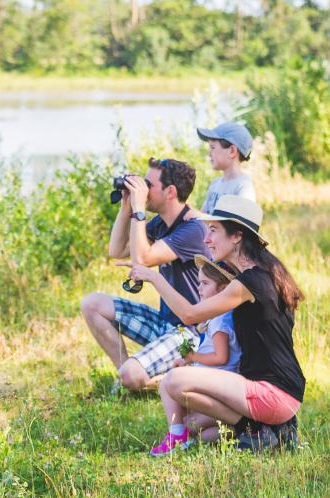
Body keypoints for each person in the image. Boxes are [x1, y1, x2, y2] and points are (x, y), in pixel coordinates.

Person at [123, 195, 304, 451]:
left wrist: (154, 277)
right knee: (199, 428)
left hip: (271, 393)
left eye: (214, 231)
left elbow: (189, 315)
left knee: (174, 380)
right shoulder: (264, 273)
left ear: (237, 236)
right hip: (283, 391)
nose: (206, 239)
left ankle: (255, 431)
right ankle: (271, 430)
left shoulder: (249, 283)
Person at [81, 158, 211, 392]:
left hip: (192, 333)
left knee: (131, 375)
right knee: (92, 304)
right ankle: (128, 379)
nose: (142, 189)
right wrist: (126, 207)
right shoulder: (161, 223)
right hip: (166, 323)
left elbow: (143, 259)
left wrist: (139, 211)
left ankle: (165, 378)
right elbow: (117, 250)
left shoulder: (193, 228)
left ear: (170, 192)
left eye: (148, 184)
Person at [149, 255, 241, 456]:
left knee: (167, 383)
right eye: (199, 282)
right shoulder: (220, 315)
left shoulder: (220, 320)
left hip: (220, 384)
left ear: (223, 289)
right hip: (217, 382)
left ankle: (176, 436)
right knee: (196, 430)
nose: (199, 288)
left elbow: (220, 357)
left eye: (205, 283)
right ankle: (228, 432)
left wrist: (192, 357)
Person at [186, 122, 256, 220]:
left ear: (232, 151)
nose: (209, 153)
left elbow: (239, 224)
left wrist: (201, 216)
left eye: (213, 147)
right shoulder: (215, 184)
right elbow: (203, 216)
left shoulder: (243, 186)